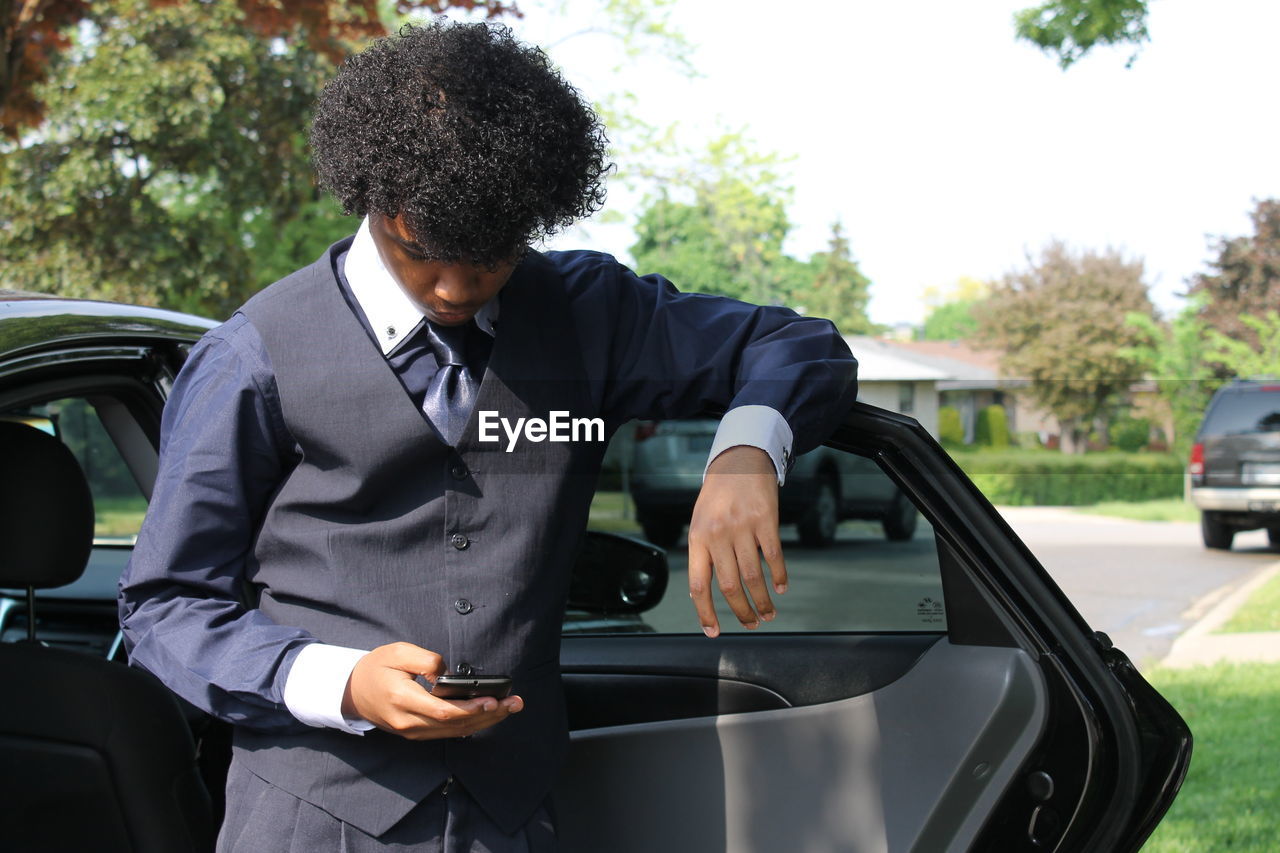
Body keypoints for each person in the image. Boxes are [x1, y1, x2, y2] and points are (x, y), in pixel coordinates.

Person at [118, 20, 858, 853]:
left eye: (493, 256)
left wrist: (748, 449)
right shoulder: (251, 357)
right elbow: (166, 608)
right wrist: (342, 683)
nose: (455, 286)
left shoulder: (591, 315)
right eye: (422, 250)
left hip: (515, 815)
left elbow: (802, 344)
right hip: (309, 819)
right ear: (370, 194)